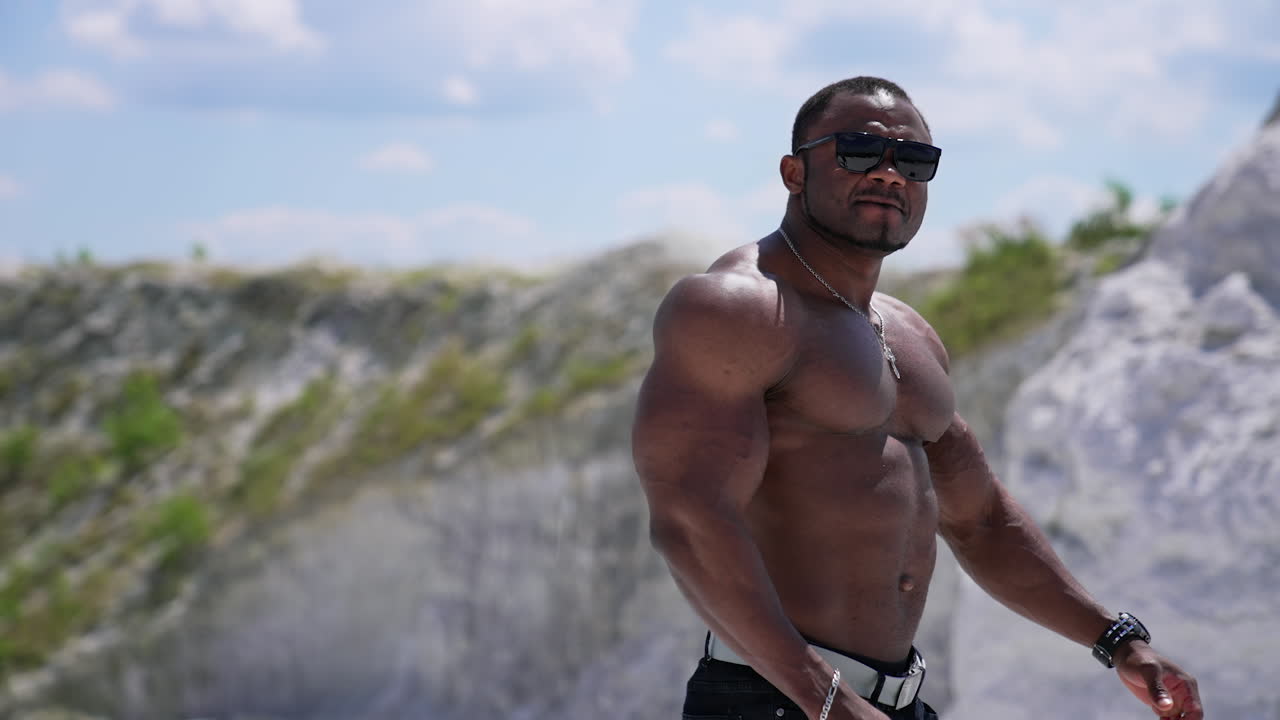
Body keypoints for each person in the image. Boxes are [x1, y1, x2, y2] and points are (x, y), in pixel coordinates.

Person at [630, 76, 1203, 720]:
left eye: (913, 160)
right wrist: (828, 700)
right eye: (857, 151)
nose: (889, 174)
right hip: (776, 700)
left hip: (887, 703)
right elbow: (691, 520)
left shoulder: (909, 335)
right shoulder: (740, 308)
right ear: (794, 171)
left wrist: (1118, 641)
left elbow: (979, 519)